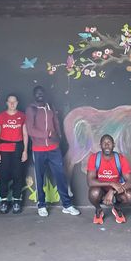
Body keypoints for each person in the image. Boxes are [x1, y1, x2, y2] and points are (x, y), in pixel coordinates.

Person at [26, 85, 80, 217]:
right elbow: (30, 130)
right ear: (34, 95)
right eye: (37, 93)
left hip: (53, 149)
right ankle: (41, 205)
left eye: (42, 93)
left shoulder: (50, 107)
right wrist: (47, 134)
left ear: (45, 94)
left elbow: (56, 123)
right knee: (40, 178)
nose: (40, 95)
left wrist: (58, 137)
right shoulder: (31, 109)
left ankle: (67, 205)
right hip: (38, 149)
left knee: (61, 176)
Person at [87, 135, 131, 224]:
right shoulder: (94, 158)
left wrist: (112, 191)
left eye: (109, 143)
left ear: (114, 145)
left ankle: (117, 208)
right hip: (100, 189)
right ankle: (98, 210)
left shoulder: (121, 159)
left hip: (116, 189)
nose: (106, 145)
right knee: (94, 193)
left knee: (130, 196)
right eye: (104, 143)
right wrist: (111, 183)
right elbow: (90, 182)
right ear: (100, 145)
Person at [0, 94, 28, 214]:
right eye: (10, 102)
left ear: (17, 103)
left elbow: (25, 135)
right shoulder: (1, 116)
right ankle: (3, 201)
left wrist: (25, 150)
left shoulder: (22, 116)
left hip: (18, 148)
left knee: (17, 175)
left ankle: (16, 201)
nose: (12, 104)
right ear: (6, 103)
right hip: (3, 148)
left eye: (14, 102)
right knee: (3, 175)